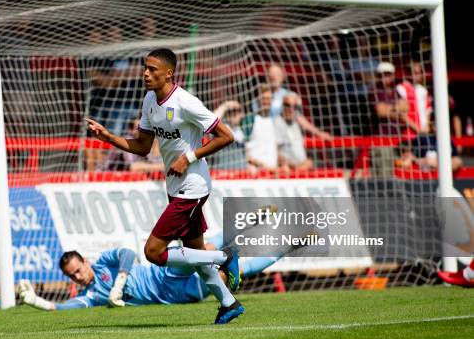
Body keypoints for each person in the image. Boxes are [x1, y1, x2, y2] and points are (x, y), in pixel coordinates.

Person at [86, 48, 243, 324]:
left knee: (154, 252)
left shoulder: (186, 102)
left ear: (169, 73)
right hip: (175, 187)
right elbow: (143, 147)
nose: (146, 73)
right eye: (145, 68)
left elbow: (225, 136)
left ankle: (224, 256)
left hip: (193, 188)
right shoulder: (149, 100)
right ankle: (229, 304)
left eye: (152, 69)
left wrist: (189, 157)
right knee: (194, 255)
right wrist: (108, 137)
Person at [18, 234, 288, 311]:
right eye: (72, 276)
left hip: (164, 273)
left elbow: (127, 253)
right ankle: (288, 244)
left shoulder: (103, 263)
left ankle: (249, 223)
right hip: (177, 293)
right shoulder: (93, 296)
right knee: (224, 275)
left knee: (200, 246)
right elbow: (64, 307)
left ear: (85, 262)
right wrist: (38, 302)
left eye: (77, 270)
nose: (77, 277)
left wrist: (119, 280)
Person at [274, 93, 314, 171]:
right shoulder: (278, 123)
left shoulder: (295, 123)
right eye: (288, 105)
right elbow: (275, 153)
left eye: (294, 106)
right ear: (282, 105)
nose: (291, 109)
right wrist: (297, 166)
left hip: (302, 169)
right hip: (290, 171)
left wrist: (307, 162)